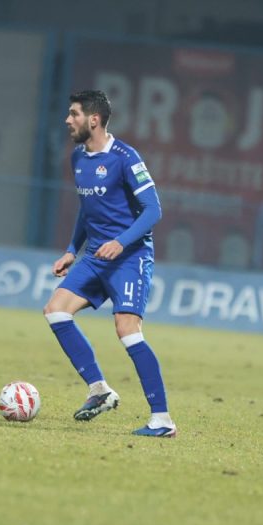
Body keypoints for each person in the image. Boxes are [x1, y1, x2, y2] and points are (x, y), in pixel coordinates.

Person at [43, 89, 176, 438]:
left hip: (130, 257)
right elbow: (87, 210)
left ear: (94, 119)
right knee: (56, 310)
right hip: (95, 257)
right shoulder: (77, 158)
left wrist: (121, 242)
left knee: (127, 329)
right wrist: (72, 250)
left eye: (74, 114)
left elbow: (153, 210)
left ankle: (162, 420)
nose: (67, 120)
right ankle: (99, 390)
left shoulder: (125, 158)